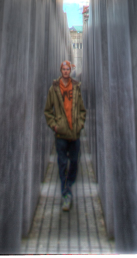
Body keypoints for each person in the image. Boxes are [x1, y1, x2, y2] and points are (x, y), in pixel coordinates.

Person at [44, 60, 86, 211]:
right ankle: (66, 194)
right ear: (61, 70)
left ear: (70, 70)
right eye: (64, 69)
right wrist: (55, 125)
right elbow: (48, 110)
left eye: (68, 69)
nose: (66, 71)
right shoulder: (54, 89)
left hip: (74, 133)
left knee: (74, 162)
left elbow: (82, 110)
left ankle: (68, 185)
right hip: (61, 134)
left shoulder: (76, 88)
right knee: (62, 164)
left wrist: (80, 124)